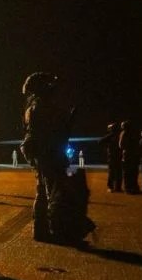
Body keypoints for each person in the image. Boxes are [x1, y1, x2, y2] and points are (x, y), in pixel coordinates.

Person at [21, 72, 91, 244]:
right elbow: (53, 133)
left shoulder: (36, 107)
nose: (53, 90)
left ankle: (45, 229)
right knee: (51, 192)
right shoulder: (40, 108)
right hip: (47, 153)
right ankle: (51, 229)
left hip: (45, 152)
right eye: (49, 87)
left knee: (46, 190)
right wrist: (68, 120)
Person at [119, 120, 142, 194]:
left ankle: (133, 188)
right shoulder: (125, 133)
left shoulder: (128, 133)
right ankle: (129, 188)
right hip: (129, 155)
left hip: (131, 155)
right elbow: (121, 145)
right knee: (129, 173)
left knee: (133, 173)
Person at [99, 123, 123, 193]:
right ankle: (117, 187)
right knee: (118, 172)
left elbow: (100, 141)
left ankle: (111, 187)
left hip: (113, 156)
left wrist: (108, 146)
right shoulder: (119, 135)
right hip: (117, 156)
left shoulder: (110, 136)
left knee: (112, 172)